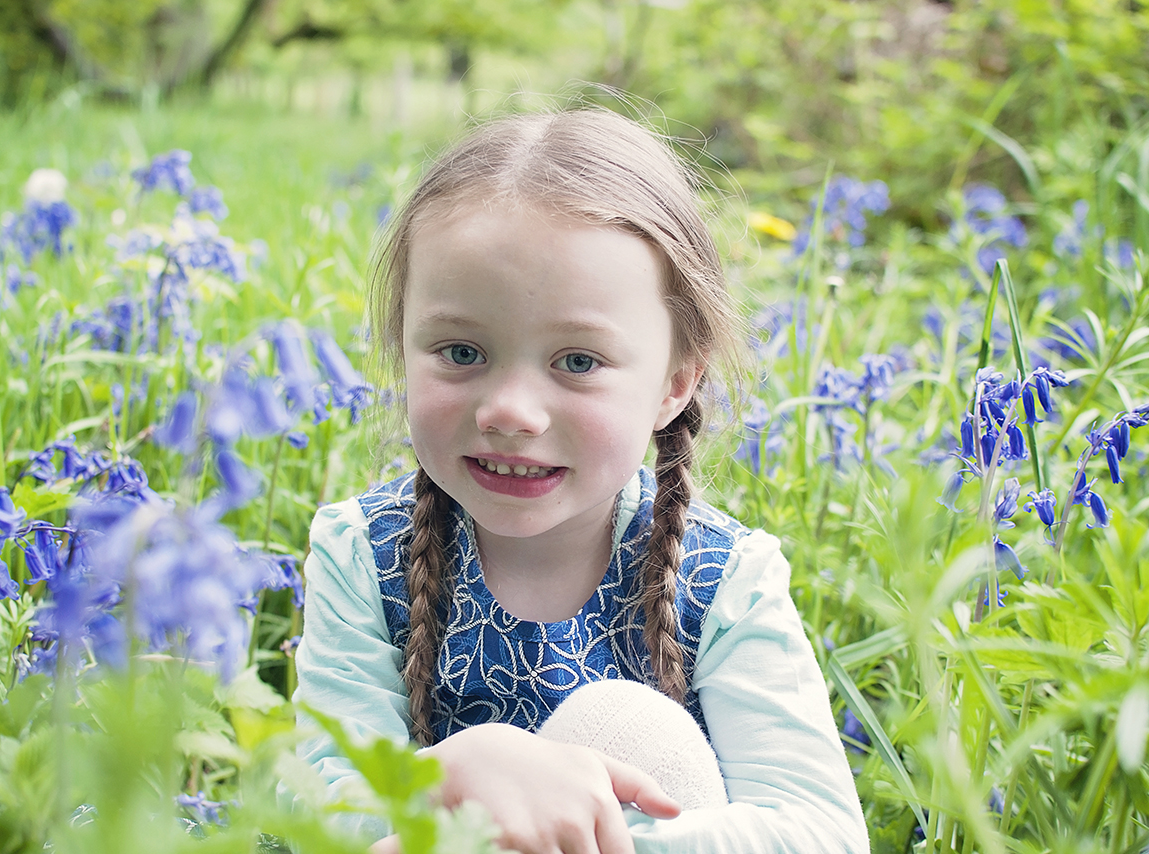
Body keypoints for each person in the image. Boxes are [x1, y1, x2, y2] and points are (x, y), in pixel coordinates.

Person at [293, 107, 869, 853]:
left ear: (674, 383)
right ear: (404, 349)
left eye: (578, 361)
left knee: (628, 728)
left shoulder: (725, 577)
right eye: (462, 352)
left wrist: (583, 837)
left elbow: (821, 834)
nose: (511, 412)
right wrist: (458, 774)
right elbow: (323, 821)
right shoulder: (363, 552)